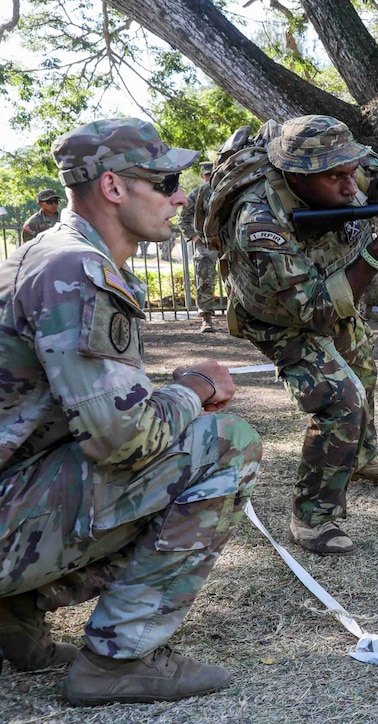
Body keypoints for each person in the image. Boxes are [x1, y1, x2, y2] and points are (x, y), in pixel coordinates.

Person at [0, 117, 262, 705]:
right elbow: (121, 439)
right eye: (165, 180)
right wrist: (192, 390)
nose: (181, 196)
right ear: (113, 188)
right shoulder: (75, 270)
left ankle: (14, 630)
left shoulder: (48, 256)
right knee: (224, 442)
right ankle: (119, 659)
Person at [218, 115, 378, 555]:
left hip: (334, 282)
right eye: (334, 177)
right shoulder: (259, 218)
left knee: (362, 366)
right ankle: (314, 516)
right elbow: (311, 312)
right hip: (280, 313)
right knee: (340, 397)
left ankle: (358, 459)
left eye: (348, 171)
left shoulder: (357, 166)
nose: (350, 186)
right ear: (297, 175)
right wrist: (375, 256)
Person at [178, 161, 220, 332]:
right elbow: (183, 219)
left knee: (235, 280)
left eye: (212, 174)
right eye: (207, 175)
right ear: (203, 176)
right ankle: (206, 319)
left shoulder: (225, 190)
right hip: (205, 245)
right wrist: (194, 237)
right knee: (205, 281)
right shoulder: (197, 194)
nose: (209, 178)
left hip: (226, 243)